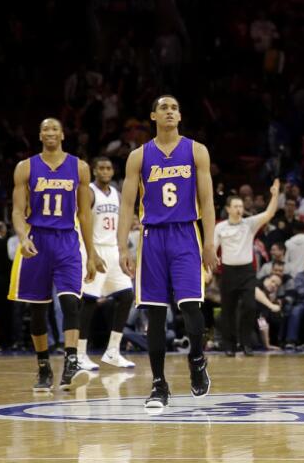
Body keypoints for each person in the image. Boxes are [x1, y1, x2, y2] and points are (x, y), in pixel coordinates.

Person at [118, 96, 218, 410]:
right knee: (156, 315)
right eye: (164, 108)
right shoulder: (138, 156)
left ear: (180, 115)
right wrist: (123, 245)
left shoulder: (196, 150)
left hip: (186, 233)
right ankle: (159, 384)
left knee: (191, 306)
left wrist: (210, 242)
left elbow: (208, 202)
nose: (170, 111)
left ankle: (197, 359)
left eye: (175, 107)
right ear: (153, 116)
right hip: (152, 238)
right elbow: (126, 205)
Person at [9, 118, 99, 393]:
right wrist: (23, 237)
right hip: (37, 239)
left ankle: (71, 362)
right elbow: (17, 210)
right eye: (45, 129)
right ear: (40, 135)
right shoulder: (25, 167)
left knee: (72, 302)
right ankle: (44, 366)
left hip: (67, 241)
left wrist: (92, 253)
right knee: (38, 309)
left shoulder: (79, 167)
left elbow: (84, 215)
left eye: (54, 129)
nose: (50, 133)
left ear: (62, 134)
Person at [76, 156, 138, 371]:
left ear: (113, 172)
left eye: (108, 168)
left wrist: (124, 250)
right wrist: (91, 254)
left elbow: (123, 225)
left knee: (126, 295)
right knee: (90, 301)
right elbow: (80, 223)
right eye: (100, 168)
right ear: (94, 171)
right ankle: (80, 354)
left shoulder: (118, 195)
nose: (104, 171)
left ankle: (113, 350)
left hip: (113, 250)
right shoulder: (89, 192)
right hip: (94, 250)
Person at [214, 180, 280, 356]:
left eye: (240, 206)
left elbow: (269, 213)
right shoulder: (220, 227)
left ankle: (246, 343)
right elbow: (212, 249)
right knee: (228, 309)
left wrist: (274, 195)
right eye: (235, 206)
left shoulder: (249, 224)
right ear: (228, 209)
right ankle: (229, 345)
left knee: (250, 307)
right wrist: (207, 269)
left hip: (246, 272)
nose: (239, 209)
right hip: (228, 272)